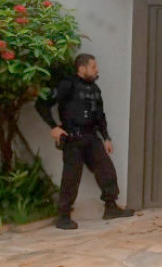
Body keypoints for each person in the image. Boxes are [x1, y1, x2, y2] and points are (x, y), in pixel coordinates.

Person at [35, 53, 134, 230]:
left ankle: (111, 207)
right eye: (93, 67)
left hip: (91, 138)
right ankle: (63, 216)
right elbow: (41, 104)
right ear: (82, 68)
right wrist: (53, 126)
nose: (97, 70)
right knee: (71, 177)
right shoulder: (67, 85)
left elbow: (100, 116)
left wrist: (106, 137)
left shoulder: (94, 89)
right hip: (73, 139)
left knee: (106, 170)